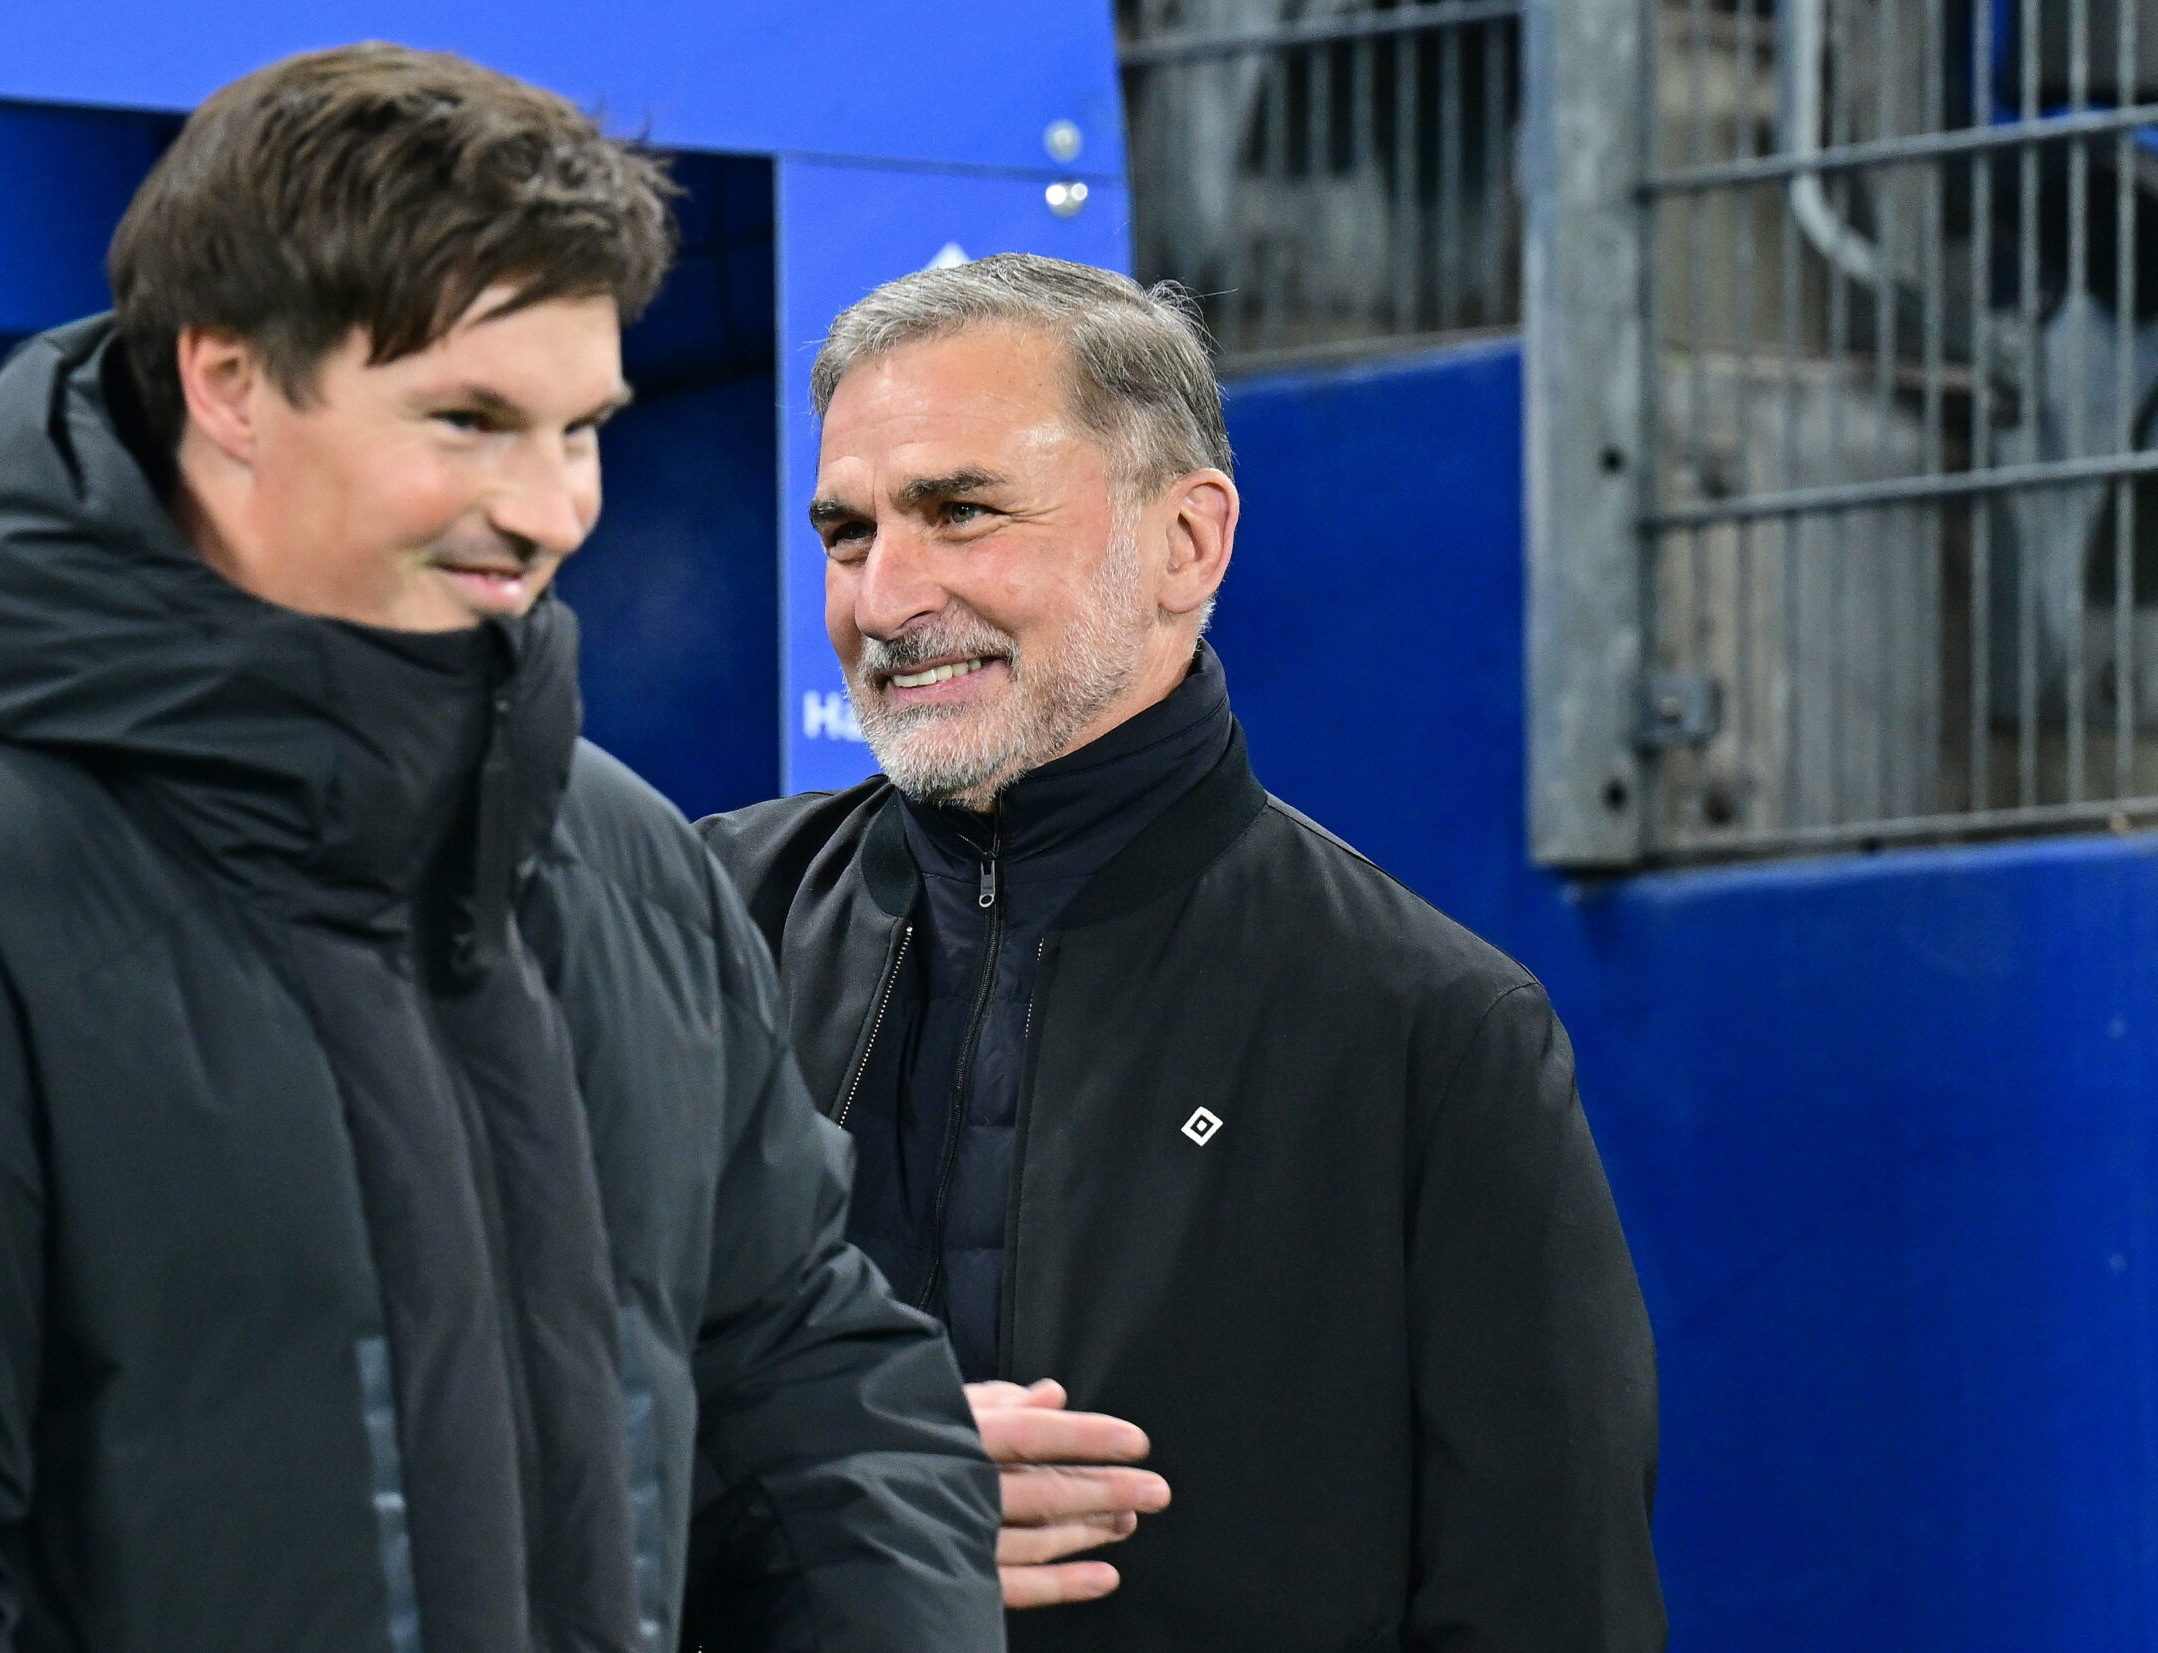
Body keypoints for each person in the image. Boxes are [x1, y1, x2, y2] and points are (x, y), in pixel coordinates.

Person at [0, 46, 1003, 1653]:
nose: (547, 507)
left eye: (579, 428)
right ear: (229, 384)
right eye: (467, 419)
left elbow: (816, 1389)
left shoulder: (630, 871)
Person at [698, 253, 1667, 1649]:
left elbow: (1547, 1598)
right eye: (848, 535)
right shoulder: (699, 928)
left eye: (959, 512)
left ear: (1187, 541)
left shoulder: (1424, 1028)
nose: (885, 598)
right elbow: (499, 1436)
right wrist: (808, 1487)